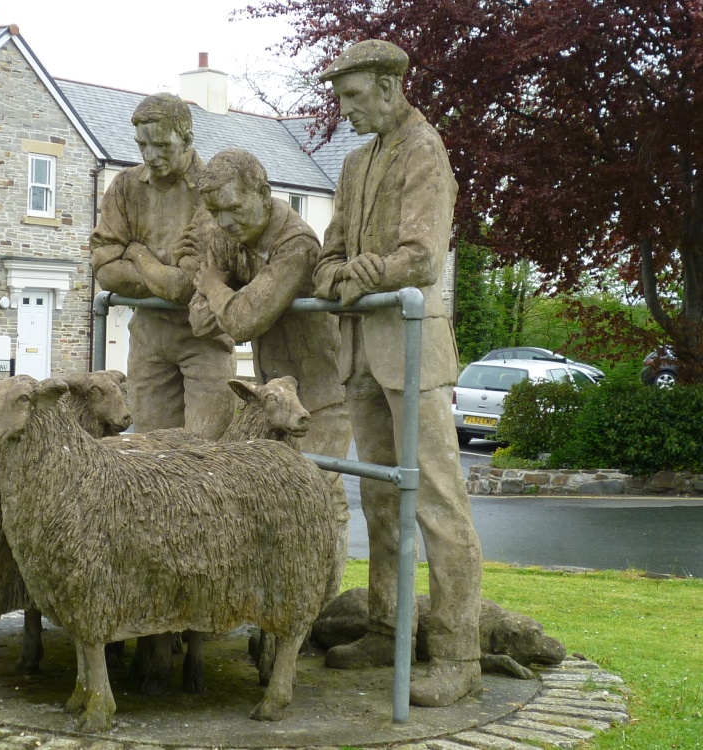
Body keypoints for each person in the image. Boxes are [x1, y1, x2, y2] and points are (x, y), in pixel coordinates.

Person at [313, 39, 483, 707]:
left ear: (389, 86)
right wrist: (335, 274)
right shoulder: (356, 162)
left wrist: (362, 276)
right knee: (380, 501)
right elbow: (329, 251)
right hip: (359, 353)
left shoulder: (424, 150)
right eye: (341, 99)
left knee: (439, 506)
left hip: (412, 353)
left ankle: (458, 653)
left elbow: (420, 256)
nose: (346, 111)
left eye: (354, 97)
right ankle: (387, 626)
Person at [187, 148, 352, 587]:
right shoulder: (227, 239)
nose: (223, 222)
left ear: (262, 193)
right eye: (216, 212)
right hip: (271, 397)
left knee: (320, 498)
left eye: (233, 208)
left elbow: (242, 321)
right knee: (273, 503)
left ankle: (321, 602)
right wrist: (223, 293)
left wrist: (214, 286)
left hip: (320, 396)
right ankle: (282, 600)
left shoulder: (295, 244)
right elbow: (200, 319)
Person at [90, 92, 236, 441]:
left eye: (160, 145)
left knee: (205, 455)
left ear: (186, 138)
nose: (149, 156)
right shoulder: (125, 187)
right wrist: (157, 263)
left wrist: (136, 254)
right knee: (154, 459)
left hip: (205, 339)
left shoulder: (212, 188)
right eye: (142, 145)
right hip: (148, 340)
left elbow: (184, 286)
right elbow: (105, 268)